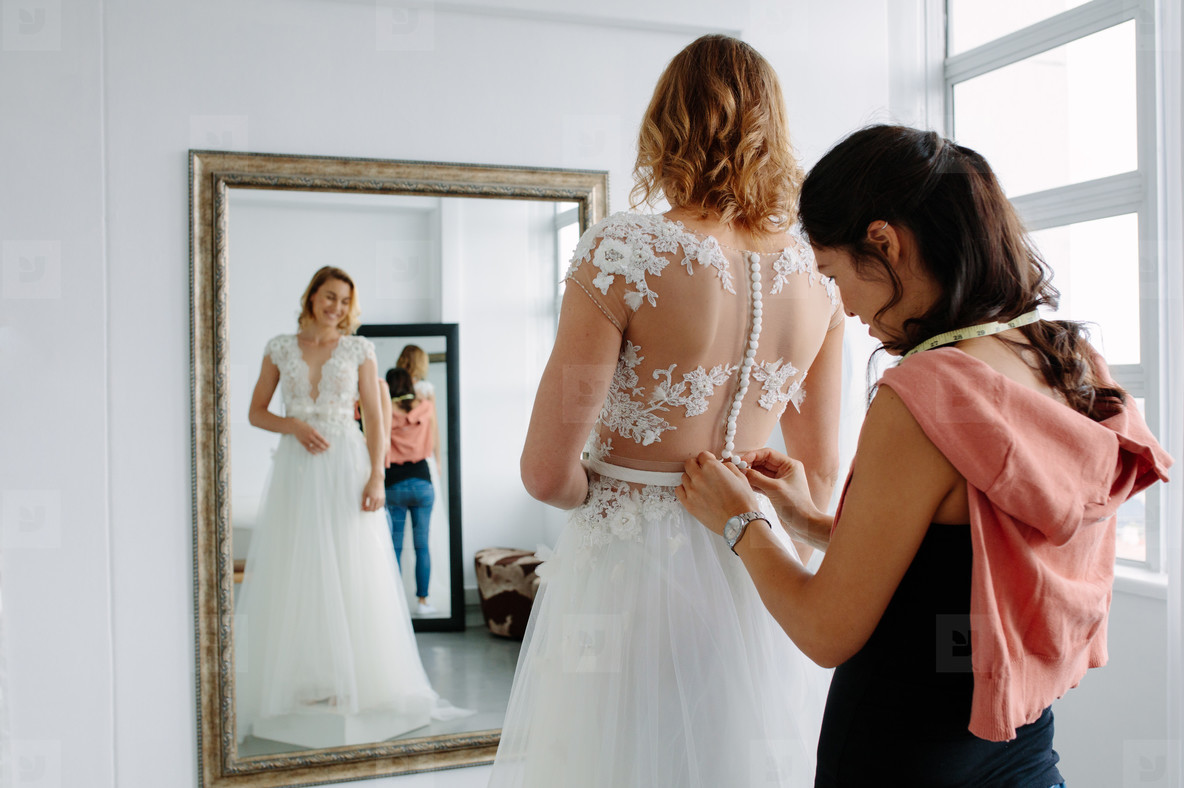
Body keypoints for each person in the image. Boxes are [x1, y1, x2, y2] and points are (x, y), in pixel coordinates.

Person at [677, 125, 1173, 786]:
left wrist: (743, 523)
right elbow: (967, 561)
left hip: (899, 746)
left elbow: (827, 631)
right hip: (1018, 739)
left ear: (885, 242)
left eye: (833, 274)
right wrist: (804, 521)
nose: (843, 307)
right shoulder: (1066, 360)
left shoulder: (926, 394)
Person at [489, 35, 842, 787]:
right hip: (757, 561)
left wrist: (610, 490)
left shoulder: (623, 249)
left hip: (629, 570)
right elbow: (819, 474)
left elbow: (546, 473)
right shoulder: (820, 275)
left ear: (666, 124)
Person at [235, 265, 439, 743]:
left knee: (351, 563)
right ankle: (306, 680)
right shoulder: (280, 347)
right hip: (297, 467)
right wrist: (295, 426)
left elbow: (375, 412)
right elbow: (255, 411)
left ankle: (357, 680)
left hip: (347, 465)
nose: (337, 308)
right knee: (298, 566)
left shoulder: (358, 349)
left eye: (345, 301)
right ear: (311, 297)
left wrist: (376, 475)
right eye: (330, 297)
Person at [385, 366, 438, 616]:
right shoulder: (425, 407)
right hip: (422, 482)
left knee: (394, 546)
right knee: (422, 545)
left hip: (393, 483)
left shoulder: (385, 411)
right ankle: (423, 602)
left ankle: (394, 602)